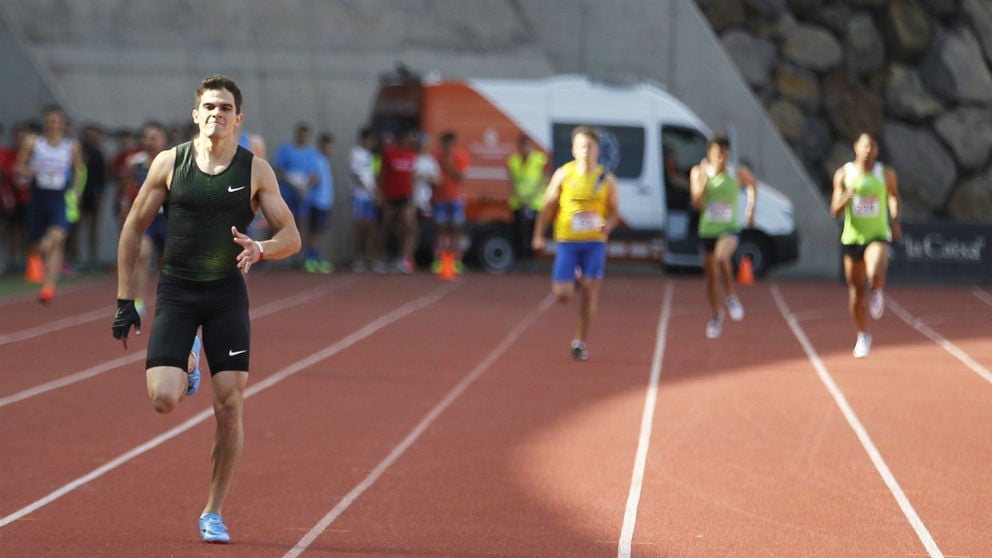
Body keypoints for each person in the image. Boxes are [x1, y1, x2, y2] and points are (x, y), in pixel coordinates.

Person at [111, 74, 301, 544]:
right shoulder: (169, 163)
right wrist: (125, 300)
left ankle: (213, 511)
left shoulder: (255, 170)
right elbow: (133, 229)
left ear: (239, 119)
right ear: (196, 114)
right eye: (209, 107)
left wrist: (261, 249)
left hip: (225, 296)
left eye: (225, 108)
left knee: (230, 407)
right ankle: (189, 357)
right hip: (177, 291)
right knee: (163, 400)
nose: (216, 114)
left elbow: (291, 237)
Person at [532, 125, 619, 361]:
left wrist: (607, 225)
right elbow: (547, 207)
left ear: (597, 150)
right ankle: (576, 276)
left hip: (594, 242)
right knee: (562, 295)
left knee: (590, 292)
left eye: (590, 146)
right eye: (581, 146)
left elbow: (614, 213)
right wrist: (538, 235)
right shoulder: (563, 175)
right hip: (568, 242)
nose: (586, 151)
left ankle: (579, 341)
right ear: (573, 149)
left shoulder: (606, 179)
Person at [830, 132, 900, 358]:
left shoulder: (885, 174)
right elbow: (834, 211)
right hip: (852, 238)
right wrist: (845, 199)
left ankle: (878, 289)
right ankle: (862, 335)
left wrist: (895, 216)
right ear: (856, 147)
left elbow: (893, 196)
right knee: (856, 293)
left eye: (872, 146)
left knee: (874, 270)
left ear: (877, 150)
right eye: (864, 146)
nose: (868, 150)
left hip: (877, 234)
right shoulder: (843, 174)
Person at [14, 105, 86, 303]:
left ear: (63, 124)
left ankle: (48, 283)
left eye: (57, 121)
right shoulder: (34, 143)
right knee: (47, 243)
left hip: (60, 197)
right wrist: (27, 172)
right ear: (45, 123)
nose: (53, 125)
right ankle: (41, 269)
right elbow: (19, 167)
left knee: (58, 235)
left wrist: (76, 192)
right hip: (38, 196)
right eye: (50, 121)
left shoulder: (71, 146)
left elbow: (79, 170)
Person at [689, 135, 757, 340]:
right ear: (709, 154)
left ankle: (730, 296)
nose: (721, 159)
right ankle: (715, 316)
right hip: (707, 231)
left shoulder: (737, 173)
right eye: (718, 155)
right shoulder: (699, 173)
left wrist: (750, 208)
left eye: (725, 155)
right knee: (711, 280)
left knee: (722, 258)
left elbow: (753, 184)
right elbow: (697, 204)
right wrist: (702, 180)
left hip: (729, 229)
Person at [120, 121, 169, 315]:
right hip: (145, 217)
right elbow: (127, 186)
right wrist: (125, 206)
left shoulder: (172, 161)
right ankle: (139, 301)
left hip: (167, 218)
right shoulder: (135, 162)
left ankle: (167, 300)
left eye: (155, 137)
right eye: (147, 137)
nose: (151, 142)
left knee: (166, 262)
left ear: (163, 140)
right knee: (142, 255)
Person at [273, 122, 321, 267]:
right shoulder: (286, 150)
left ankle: (296, 255)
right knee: (280, 223)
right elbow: (277, 169)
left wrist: (304, 187)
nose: (302, 138)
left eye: (305, 135)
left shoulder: (310, 153)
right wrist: (290, 182)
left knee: (299, 223)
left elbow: (314, 175)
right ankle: (273, 254)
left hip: (301, 195)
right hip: (286, 193)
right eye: (300, 134)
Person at [67, 124, 107, 272]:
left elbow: (102, 177)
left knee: (93, 228)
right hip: (79, 195)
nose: (92, 137)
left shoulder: (99, 153)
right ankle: (75, 258)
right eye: (89, 134)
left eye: (95, 134)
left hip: (93, 195)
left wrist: (100, 195)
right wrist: (76, 194)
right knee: (76, 227)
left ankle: (93, 258)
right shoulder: (78, 151)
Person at [378, 130, 418, 273]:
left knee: (408, 226)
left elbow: (411, 176)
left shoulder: (411, 155)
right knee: (386, 226)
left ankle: (404, 259)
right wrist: (380, 193)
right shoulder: (389, 153)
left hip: (405, 196)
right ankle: (380, 257)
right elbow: (382, 173)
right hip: (390, 195)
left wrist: (412, 196)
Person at [506, 134, 548, 271]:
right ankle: (519, 259)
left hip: (535, 203)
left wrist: (530, 197)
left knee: (533, 233)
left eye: (527, 145)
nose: (525, 148)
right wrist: (520, 198)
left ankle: (532, 261)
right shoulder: (514, 161)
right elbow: (512, 181)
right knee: (517, 232)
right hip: (518, 203)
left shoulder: (539, 159)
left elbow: (543, 180)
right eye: (523, 146)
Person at [432, 131, 470, 273]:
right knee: (440, 229)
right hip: (439, 199)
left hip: (455, 199)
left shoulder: (460, 156)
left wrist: (448, 165)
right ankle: (438, 260)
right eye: (444, 143)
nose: (446, 146)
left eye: (449, 143)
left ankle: (457, 260)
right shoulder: (435, 156)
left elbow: (461, 177)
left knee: (456, 229)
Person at [303, 132, 335, 273]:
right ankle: (311, 260)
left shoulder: (325, 160)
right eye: (327, 146)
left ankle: (315, 258)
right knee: (314, 232)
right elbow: (313, 177)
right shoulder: (316, 159)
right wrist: (306, 188)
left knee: (319, 232)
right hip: (317, 201)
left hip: (325, 201)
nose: (329, 149)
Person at [349, 127, 379, 272]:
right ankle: (356, 258)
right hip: (359, 196)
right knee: (359, 227)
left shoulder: (371, 155)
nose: (373, 143)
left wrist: (375, 192)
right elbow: (358, 176)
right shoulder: (356, 153)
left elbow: (372, 176)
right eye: (372, 140)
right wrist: (371, 192)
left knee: (370, 228)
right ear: (366, 139)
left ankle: (369, 258)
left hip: (369, 196)